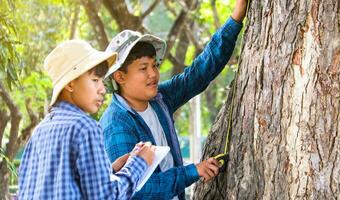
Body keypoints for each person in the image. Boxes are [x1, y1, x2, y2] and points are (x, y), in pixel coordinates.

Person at [100, 0, 248, 199]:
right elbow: (137, 190)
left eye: (154, 65)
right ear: (120, 77)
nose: (153, 74)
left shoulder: (160, 99)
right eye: (143, 68)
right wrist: (192, 171)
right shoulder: (116, 125)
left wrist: (235, 19)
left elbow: (197, 75)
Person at [18, 40, 155, 200]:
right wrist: (140, 162)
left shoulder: (40, 130)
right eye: (95, 80)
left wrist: (110, 170)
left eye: (102, 81)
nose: (103, 89)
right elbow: (106, 197)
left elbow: (62, 186)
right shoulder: (84, 127)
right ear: (70, 84)